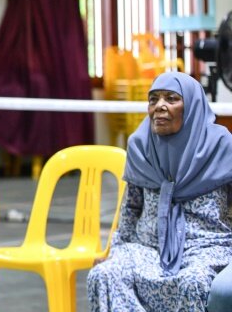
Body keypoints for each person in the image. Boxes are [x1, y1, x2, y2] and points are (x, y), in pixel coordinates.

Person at [87, 71, 232, 312]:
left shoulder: (220, 147)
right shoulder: (141, 146)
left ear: (192, 106)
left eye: (171, 99)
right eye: (153, 99)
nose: (159, 106)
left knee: (194, 281)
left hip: (205, 248)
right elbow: (131, 207)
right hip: (148, 247)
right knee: (104, 274)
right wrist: (114, 250)